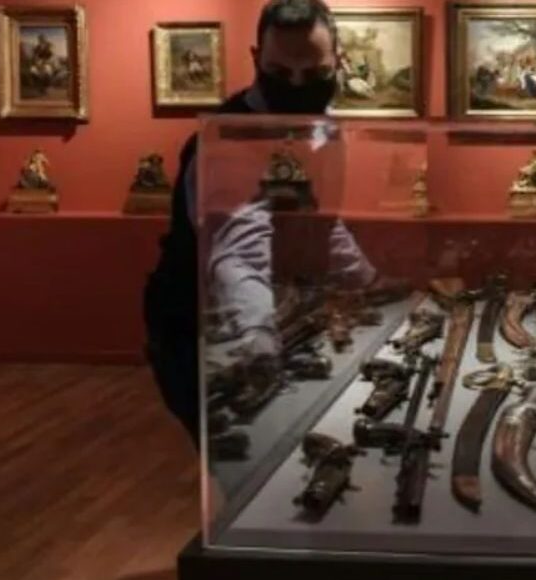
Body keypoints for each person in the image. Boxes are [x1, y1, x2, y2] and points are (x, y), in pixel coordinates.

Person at [144, 0, 378, 444]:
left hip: (278, 315)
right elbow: (238, 252)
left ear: (339, 61)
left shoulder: (322, 127)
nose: (297, 86)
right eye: (279, 72)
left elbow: (320, 220)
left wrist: (369, 281)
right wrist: (259, 341)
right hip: (205, 328)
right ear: (256, 60)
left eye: (314, 74)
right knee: (246, 462)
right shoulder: (230, 137)